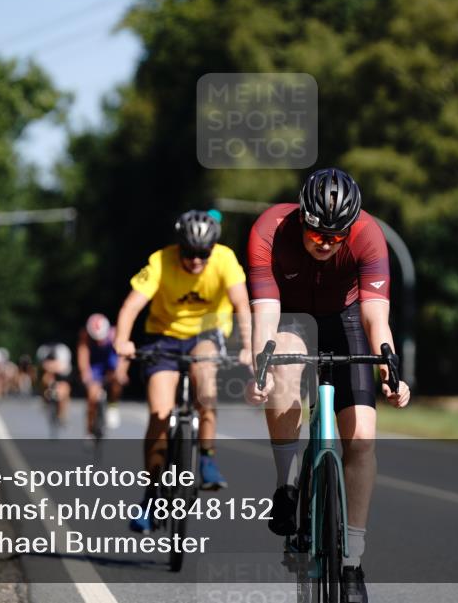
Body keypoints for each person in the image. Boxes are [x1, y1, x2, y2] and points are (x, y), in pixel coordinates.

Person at [244, 167, 411, 603]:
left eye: (337, 236)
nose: (325, 243)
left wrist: (389, 368)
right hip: (291, 316)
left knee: (362, 438)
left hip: (347, 318)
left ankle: (352, 562)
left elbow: (376, 316)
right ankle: (287, 486)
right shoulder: (269, 230)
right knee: (283, 368)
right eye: (317, 232)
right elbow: (265, 312)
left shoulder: (369, 235)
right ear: (302, 218)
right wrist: (261, 368)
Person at [114, 209, 253, 532]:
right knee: (159, 415)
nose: (196, 261)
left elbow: (241, 305)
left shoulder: (226, 260)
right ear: (179, 247)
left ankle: (206, 456)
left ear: (213, 249)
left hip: (207, 334)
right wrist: (122, 339)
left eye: (203, 254)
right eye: (189, 253)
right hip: (163, 337)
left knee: (206, 386)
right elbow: (131, 306)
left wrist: (248, 346)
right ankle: (151, 496)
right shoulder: (160, 262)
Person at [78, 313, 129, 432]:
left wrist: (121, 372)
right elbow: (83, 354)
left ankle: (113, 405)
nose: (99, 342)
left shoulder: (115, 334)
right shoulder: (85, 336)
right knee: (92, 396)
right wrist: (85, 372)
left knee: (117, 381)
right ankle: (89, 430)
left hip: (110, 362)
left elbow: (123, 356)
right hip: (96, 365)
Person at [38, 343, 73, 426]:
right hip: (51, 381)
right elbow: (44, 368)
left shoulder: (63, 356)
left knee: (64, 391)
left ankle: (62, 415)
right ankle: (45, 400)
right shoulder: (45, 358)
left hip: (62, 381)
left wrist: (52, 367)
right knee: (45, 379)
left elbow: (65, 370)